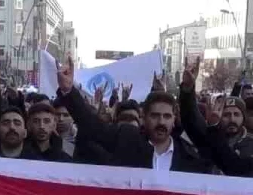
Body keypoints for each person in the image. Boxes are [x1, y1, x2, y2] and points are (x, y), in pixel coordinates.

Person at [66, 58, 210, 174]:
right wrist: (68, 90)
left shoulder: (189, 157)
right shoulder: (126, 139)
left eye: (167, 116)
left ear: (174, 119)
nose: (161, 122)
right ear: (143, 117)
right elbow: (91, 125)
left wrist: (187, 90)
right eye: (155, 116)